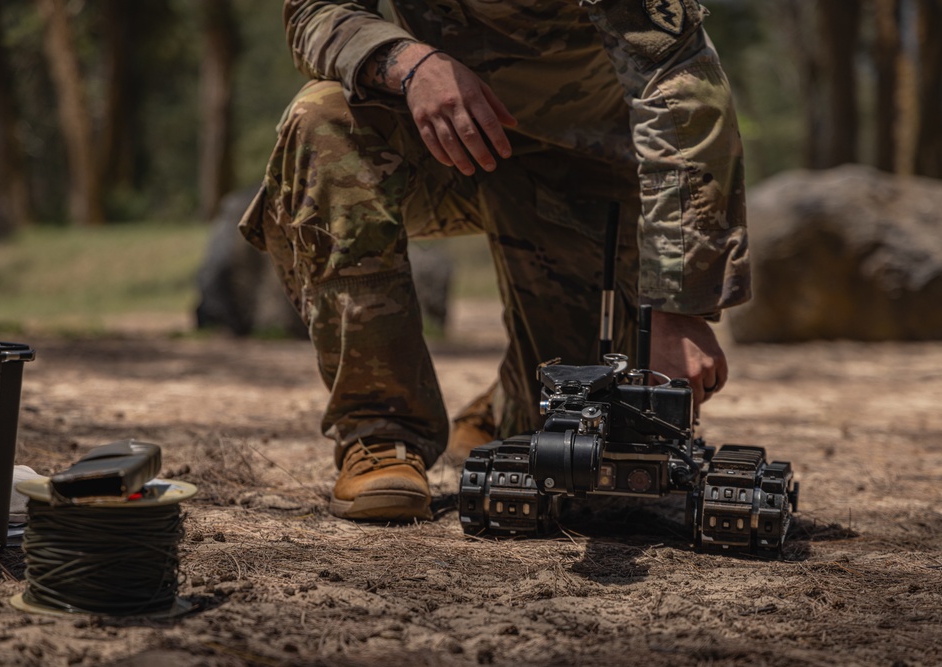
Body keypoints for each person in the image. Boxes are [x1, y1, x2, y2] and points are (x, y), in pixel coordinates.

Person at [239, 0, 750, 522]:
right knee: (322, 118)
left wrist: (678, 307)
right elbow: (316, 11)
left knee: (569, 433)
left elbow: (680, 84)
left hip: (580, 164)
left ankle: (506, 403)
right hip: (424, 133)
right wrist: (409, 62)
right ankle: (381, 433)